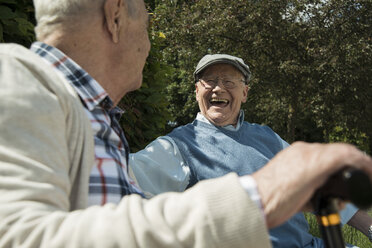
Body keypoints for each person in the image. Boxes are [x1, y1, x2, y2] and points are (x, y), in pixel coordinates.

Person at [0, 0, 372, 247]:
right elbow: (21, 237)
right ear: (115, 16)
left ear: (245, 93)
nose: (147, 45)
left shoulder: (98, 119)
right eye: (146, 23)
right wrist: (257, 197)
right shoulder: (15, 77)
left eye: (230, 81)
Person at [129, 54, 372, 247]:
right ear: (196, 91)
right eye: (210, 80)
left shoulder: (267, 137)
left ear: (244, 93)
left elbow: (318, 184)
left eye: (228, 82)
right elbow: (124, 179)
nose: (218, 88)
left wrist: (369, 228)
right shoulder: (178, 146)